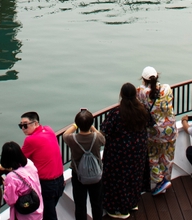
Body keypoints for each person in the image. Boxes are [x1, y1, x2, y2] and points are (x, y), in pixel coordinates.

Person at [100, 83, 150, 219]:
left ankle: (120, 209)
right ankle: (132, 202)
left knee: (118, 179)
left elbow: (105, 129)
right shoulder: (142, 110)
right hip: (138, 150)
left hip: (120, 152)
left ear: (121, 95)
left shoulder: (117, 113)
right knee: (134, 175)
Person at [136, 66, 176, 195]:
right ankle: (166, 180)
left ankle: (160, 181)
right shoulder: (167, 88)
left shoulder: (141, 92)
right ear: (157, 76)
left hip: (154, 132)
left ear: (143, 79)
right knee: (168, 156)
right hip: (170, 129)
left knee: (153, 157)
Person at [62, 109, 106, 220]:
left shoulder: (72, 139)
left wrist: (75, 125)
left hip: (78, 175)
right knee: (97, 203)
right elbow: (103, 140)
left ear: (77, 123)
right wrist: (92, 127)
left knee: (80, 204)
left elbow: (65, 134)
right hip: (96, 175)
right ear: (91, 123)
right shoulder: (97, 138)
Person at [19, 112, 64, 220]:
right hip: (59, 181)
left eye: (25, 125)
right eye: (20, 126)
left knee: (49, 215)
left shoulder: (30, 140)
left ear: (35, 123)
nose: (23, 128)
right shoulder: (49, 130)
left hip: (47, 185)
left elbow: (19, 160)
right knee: (50, 210)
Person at [0, 141, 44, 219]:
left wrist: (5, 189)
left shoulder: (11, 178)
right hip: (37, 206)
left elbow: (11, 201)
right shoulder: (29, 164)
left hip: (25, 214)